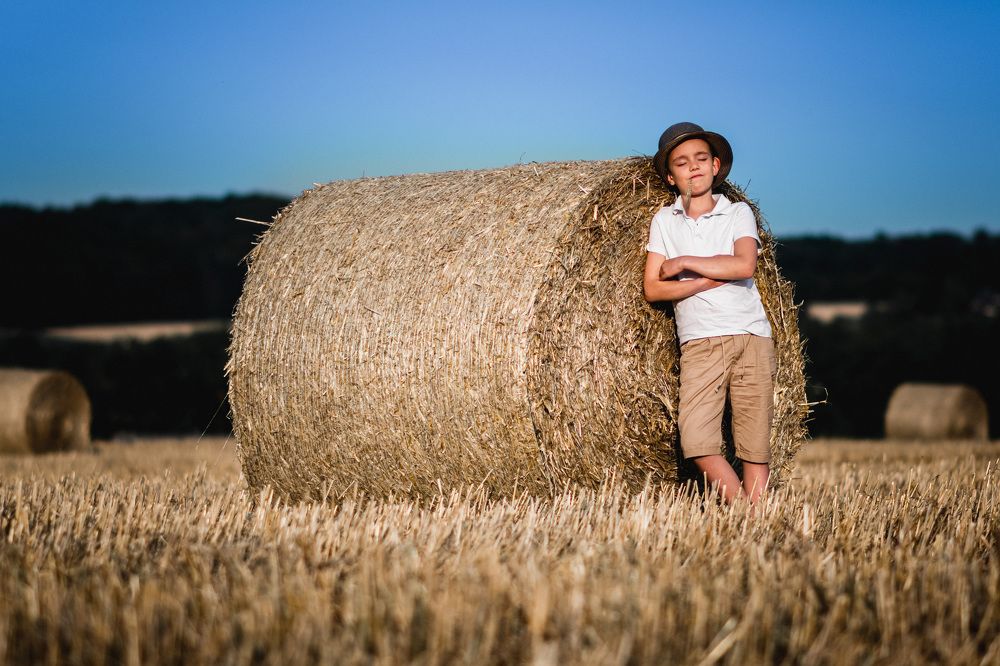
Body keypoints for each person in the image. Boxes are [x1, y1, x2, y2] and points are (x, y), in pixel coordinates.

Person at [642, 122, 775, 505]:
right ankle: (749, 516)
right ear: (671, 176)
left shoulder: (737, 214)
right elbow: (654, 288)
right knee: (697, 439)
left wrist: (684, 262)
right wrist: (703, 282)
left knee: (754, 443)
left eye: (701, 159)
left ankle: (758, 527)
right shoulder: (665, 221)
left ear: (716, 166)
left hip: (751, 335)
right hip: (700, 342)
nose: (694, 167)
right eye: (682, 163)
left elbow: (743, 265)